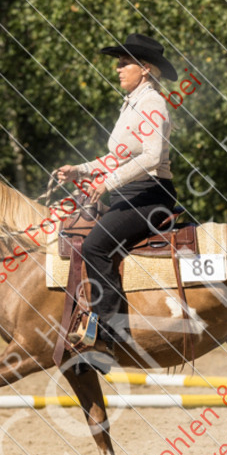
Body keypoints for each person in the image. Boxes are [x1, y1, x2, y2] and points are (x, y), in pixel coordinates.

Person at [54, 33, 180, 359]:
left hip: (149, 194)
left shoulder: (152, 103)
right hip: (133, 192)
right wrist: (80, 170)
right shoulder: (133, 104)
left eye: (124, 63)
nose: (117, 69)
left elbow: (152, 157)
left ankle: (106, 335)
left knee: (95, 246)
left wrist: (107, 184)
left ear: (146, 69)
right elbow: (119, 157)